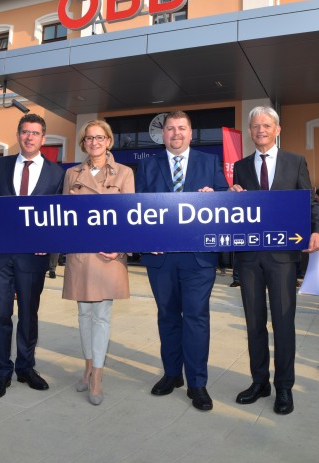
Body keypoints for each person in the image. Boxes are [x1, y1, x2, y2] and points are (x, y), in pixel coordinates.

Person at [0, 114, 65, 399]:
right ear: (18, 135)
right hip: (0, 257)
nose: (29, 137)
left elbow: (59, 217)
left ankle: (25, 367)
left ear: (43, 139)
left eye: (35, 133)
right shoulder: (0, 166)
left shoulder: (57, 174)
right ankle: (2, 373)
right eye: (24, 132)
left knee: (29, 317)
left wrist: (52, 242)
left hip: (33, 258)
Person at [135, 110, 228, 411]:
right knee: (167, 317)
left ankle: (197, 383)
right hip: (160, 258)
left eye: (182, 128)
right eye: (171, 129)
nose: (176, 133)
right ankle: (172, 374)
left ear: (191, 133)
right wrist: (148, 242)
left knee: (197, 319)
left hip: (198, 258)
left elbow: (225, 202)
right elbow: (135, 211)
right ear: (163, 135)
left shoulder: (209, 163)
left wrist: (214, 195)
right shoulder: (146, 167)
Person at [230, 106, 319, 415]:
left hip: (283, 258)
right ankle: (259, 382)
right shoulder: (240, 168)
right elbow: (238, 213)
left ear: (277, 130)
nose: (261, 131)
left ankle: (284, 387)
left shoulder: (295, 162)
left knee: (282, 323)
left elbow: (308, 200)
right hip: (250, 258)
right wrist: (233, 197)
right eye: (255, 126)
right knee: (254, 323)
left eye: (266, 125)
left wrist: (316, 230)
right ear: (251, 131)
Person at [62, 119, 134, 406]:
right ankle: (87, 366)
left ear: (109, 141)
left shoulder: (125, 173)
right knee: (83, 316)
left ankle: (98, 376)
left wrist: (119, 248)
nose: (95, 143)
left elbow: (131, 215)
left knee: (102, 316)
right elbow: (63, 216)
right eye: (89, 138)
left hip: (108, 255)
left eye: (100, 137)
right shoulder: (71, 174)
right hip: (81, 254)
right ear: (83, 143)